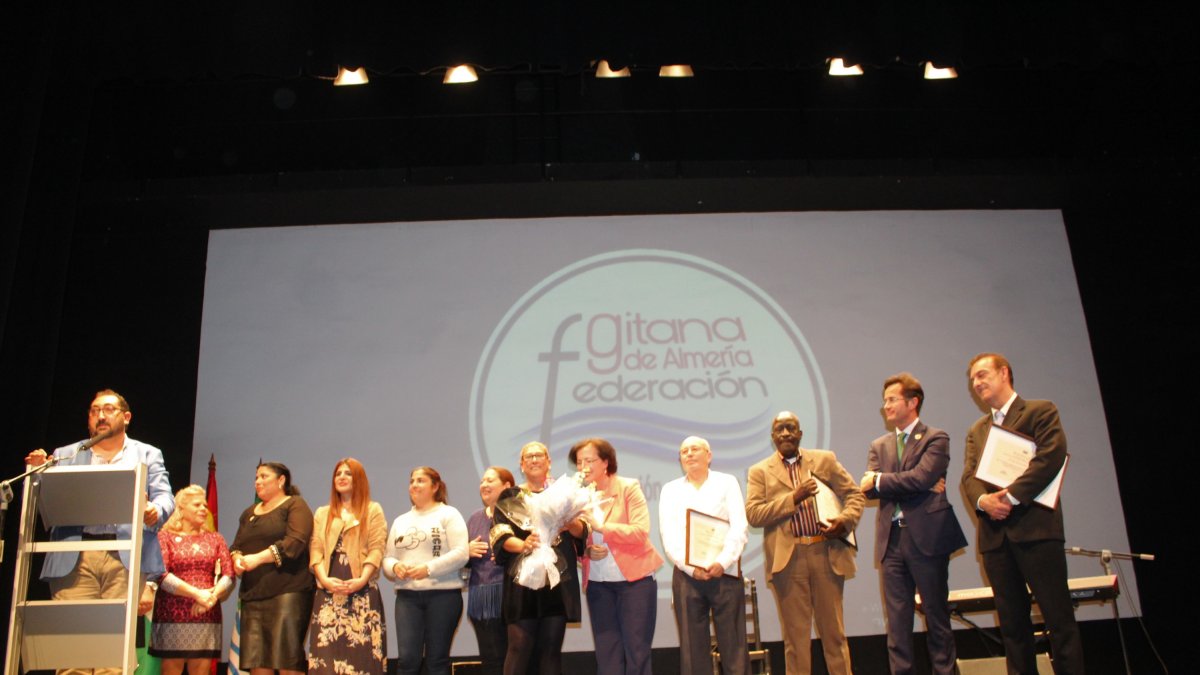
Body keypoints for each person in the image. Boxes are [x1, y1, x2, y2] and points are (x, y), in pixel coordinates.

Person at [24, 389, 175, 675]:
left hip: (125, 557)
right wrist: (37, 475)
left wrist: (155, 510)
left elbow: (165, 497)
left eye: (108, 409)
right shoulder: (67, 454)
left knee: (113, 658)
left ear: (126, 417)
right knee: (73, 654)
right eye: (95, 411)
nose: (101, 416)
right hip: (74, 556)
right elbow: (45, 501)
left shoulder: (147, 453)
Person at [962, 353, 1084, 674]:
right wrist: (984, 502)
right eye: (973, 379)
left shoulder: (1039, 411)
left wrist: (1011, 496)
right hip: (995, 539)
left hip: (1037, 532)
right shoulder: (977, 429)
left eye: (982, 374)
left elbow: (1051, 455)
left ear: (1004, 373)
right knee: (1013, 627)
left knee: (1058, 620)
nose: (977, 383)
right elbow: (969, 477)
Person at [860, 373, 967, 675]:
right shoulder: (879, 445)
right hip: (891, 541)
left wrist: (882, 481)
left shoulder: (936, 438)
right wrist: (912, 483)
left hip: (927, 539)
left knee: (936, 616)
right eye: (884, 401)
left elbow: (920, 478)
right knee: (897, 624)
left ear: (913, 402)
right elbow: (868, 489)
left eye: (892, 399)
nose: (886, 406)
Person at [745, 411, 864, 675]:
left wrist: (845, 521)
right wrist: (793, 498)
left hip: (826, 554)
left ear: (800, 433)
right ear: (773, 437)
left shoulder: (824, 460)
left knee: (834, 636)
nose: (786, 433)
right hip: (789, 561)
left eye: (791, 428)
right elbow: (753, 514)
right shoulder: (760, 471)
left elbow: (854, 495)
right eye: (780, 429)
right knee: (796, 642)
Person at [491, 441, 588, 675]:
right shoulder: (510, 496)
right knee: (519, 645)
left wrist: (569, 522)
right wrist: (524, 545)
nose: (534, 460)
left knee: (551, 649)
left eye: (539, 455)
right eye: (529, 456)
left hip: (557, 580)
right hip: (521, 582)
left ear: (549, 462)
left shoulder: (565, 494)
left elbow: (583, 532)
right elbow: (500, 535)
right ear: (521, 465)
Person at [570, 438, 664, 675]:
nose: (583, 467)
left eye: (589, 460)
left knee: (637, 652)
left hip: (635, 582)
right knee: (607, 654)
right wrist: (585, 553)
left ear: (605, 462)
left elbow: (640, 531)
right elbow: (573, 539)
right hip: (598, 585)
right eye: (579, 462)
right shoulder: (577, 497)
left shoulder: (627, 487)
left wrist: (602, 528)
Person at [658, 436, 749, 675]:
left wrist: (723, 561)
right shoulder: (670, 490)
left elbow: (739, 527)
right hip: (687, 576)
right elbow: (669, 536)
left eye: (695, 449)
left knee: (734, 646)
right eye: (684, 451)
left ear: (709, 455)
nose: (689, 454)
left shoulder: (727, 482)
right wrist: (691, 567)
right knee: (692, 649)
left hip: (725, 572)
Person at [382, 466, 469, 675]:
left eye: (420, 480)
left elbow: (461, 553)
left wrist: (428, 569)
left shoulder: (448, 514)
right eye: (412, 481)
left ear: (435, 486)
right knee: (407, 661)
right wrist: (395, 567)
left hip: (443, 596)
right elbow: (388, 558)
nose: (414, 485)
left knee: (436, 661)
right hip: (407, 597)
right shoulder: (401, 520)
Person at [230, 462, 315, 675]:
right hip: (253, 594)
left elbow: (295, 542)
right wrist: (237, 559)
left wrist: (258, 559)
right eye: (256, 477)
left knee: (286, 660)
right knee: (257, 662)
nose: (257, 481)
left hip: (288, 591)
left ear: (281, 480)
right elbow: (236, 547)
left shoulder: (295, 505)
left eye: (264, 476)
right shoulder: (248, 513)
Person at [308, 458, 388, 674]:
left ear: (358, 479)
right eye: (338, 474)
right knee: (325, 660)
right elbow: (316, 549)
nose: (341, 477)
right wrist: (324, 580)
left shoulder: (372, 510)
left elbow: (377, 549)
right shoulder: (322, 513)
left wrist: (362, 580)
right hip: (328, 592)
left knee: (362, 657)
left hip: (362, 591)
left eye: (348, 473)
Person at [149, 485, 235, 675]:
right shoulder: (165, 537)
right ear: (181, 508)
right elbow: (161, 574)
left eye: (205, 505)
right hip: (173, 615)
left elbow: (229, 575)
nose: (204, 509)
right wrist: (198, 595)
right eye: (197, 505)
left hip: (206, 614)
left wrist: (210, 598)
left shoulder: (215, 538)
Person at [466, 466, 516, 675]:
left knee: (517, 657)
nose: (484, 485)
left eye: (490, 480)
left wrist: (509, 552)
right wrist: (466, 552)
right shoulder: (475, 518)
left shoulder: (518, 516)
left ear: (507, 486)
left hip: (513, 594)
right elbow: (462, 559)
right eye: (482, 481)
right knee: (491, 659)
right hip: (482, 597)